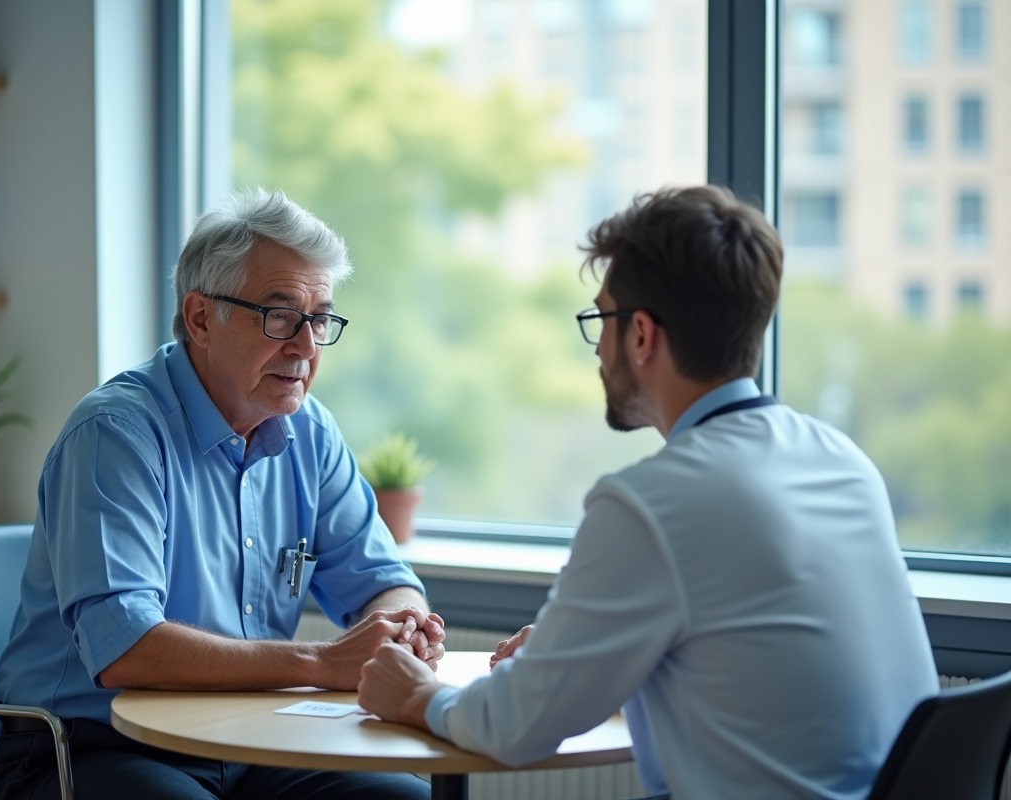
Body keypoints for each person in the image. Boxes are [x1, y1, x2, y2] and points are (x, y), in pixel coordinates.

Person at [357, 185, 938, 800]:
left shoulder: (652, 503)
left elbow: (515, 728)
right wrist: (575, 656)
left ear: (641, 335)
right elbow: (753, 658)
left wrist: (416, 695)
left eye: (600, 320)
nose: (600, 348)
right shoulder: (842, 460)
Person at [0, 189, 444, 800]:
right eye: (280, 316)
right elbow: (127, 648)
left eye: (320, 319)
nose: (307, 348)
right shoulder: (115, 435)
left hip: (251, 740)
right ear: (201, 317)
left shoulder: (311, 431)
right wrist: (321, 663)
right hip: (88, 748)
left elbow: (380, 576)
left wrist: (401, 624)